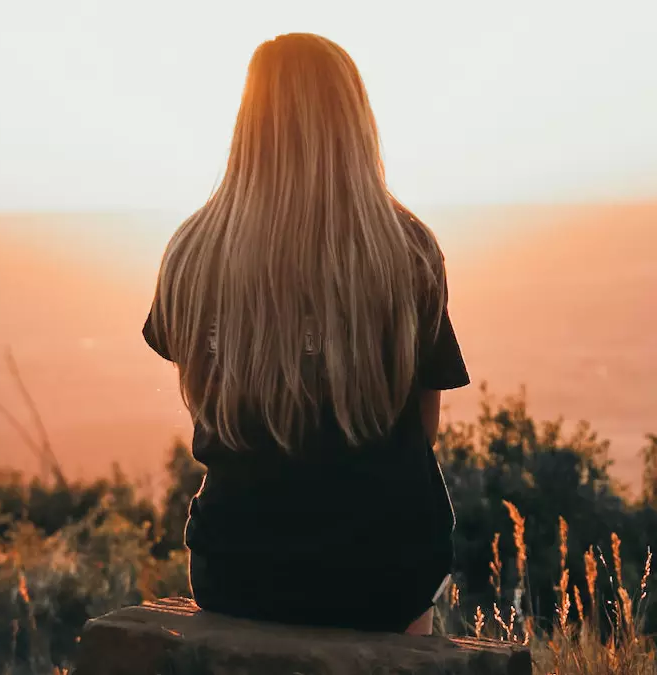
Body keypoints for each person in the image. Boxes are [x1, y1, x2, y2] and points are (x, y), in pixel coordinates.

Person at [141, 32, 470, 635]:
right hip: (384, 573)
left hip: (236, 570)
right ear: (355, 123)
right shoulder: (408, 252)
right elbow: (423, 429)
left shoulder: (191, 252)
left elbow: (206, 397)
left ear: (248, 123)